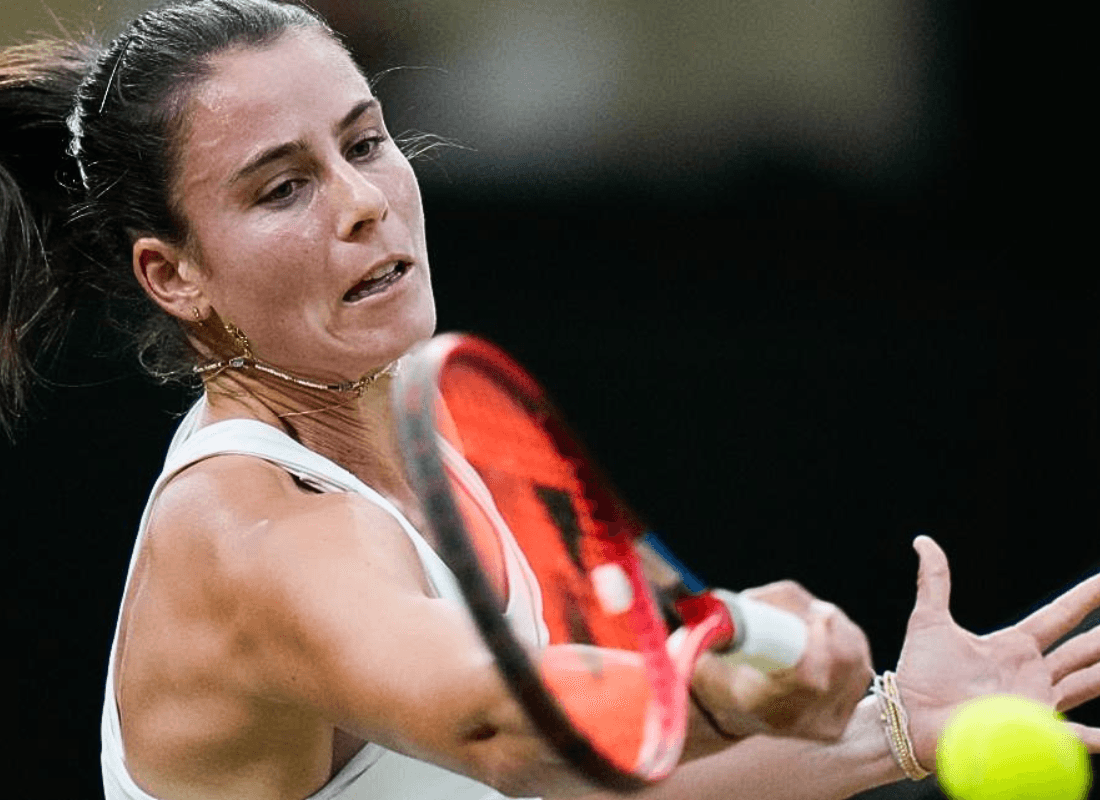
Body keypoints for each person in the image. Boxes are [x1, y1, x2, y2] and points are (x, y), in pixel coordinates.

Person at [1, 2, 1097, 799]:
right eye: (283, 186)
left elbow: (579, 788)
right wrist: (709, 681)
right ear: (171, 273)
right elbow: (495, 724)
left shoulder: (439, 460)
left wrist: (895, 726)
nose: (364, 204)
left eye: (366, 141)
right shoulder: (248, 532)